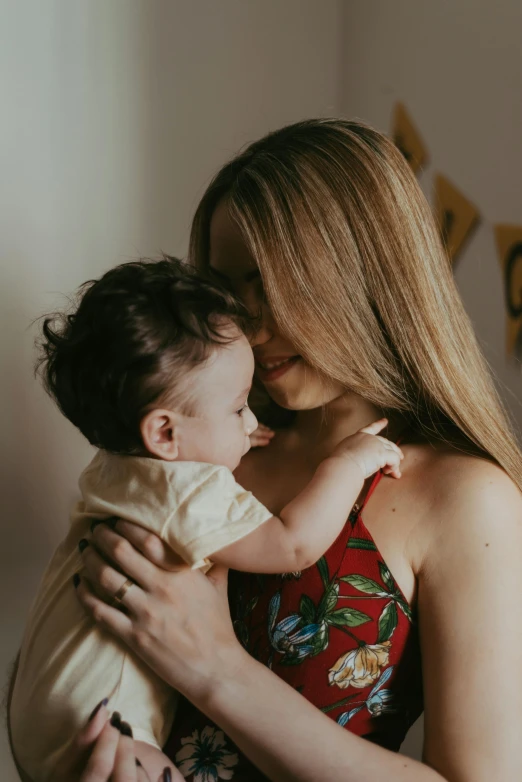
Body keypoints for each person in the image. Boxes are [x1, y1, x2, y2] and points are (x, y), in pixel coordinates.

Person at [12, 118, 522, 782]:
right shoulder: (201, 453)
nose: (249, 323)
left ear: (367, 277)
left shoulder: (463, 498)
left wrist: (218, 670)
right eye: (228, 291)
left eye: (273, 282)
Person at [9, 258, 402, 782]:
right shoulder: (192, 489)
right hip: (110, 735)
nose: (254, 420)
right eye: (238, 408)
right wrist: (347, 462)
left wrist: (221, 433)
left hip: (41, 718)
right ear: (166, 436)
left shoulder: (115, 467)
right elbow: (291, 545)